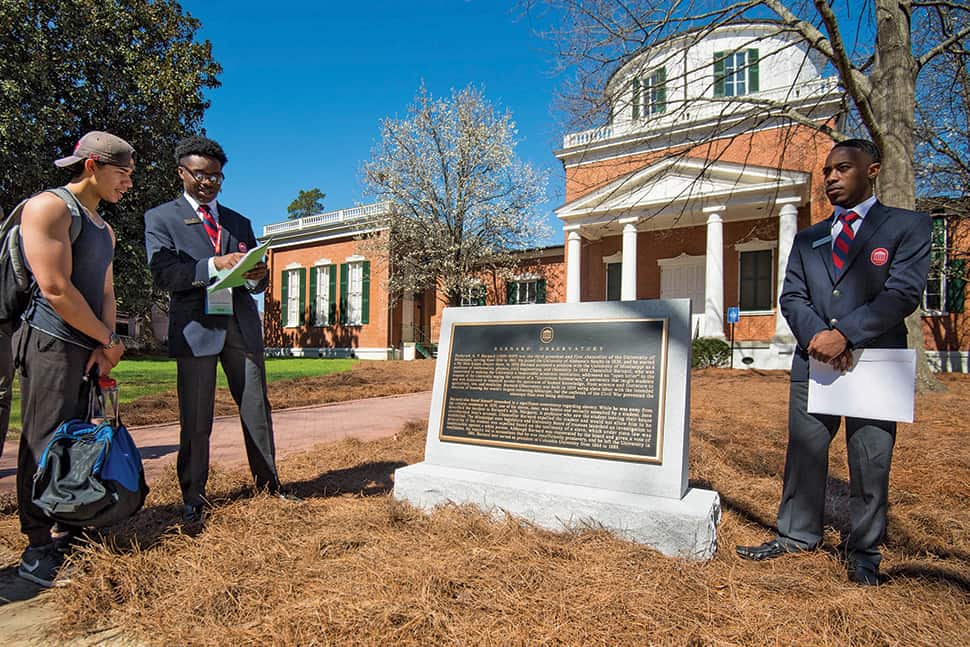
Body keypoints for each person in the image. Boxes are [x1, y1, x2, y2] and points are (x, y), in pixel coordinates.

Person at [735, 139, 931, 586]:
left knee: (870, 457)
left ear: (873, 170)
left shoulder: (907, 226)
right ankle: (796, 535)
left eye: (843, 168)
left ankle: (864, 551)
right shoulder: (809, 238)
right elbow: (792, 295)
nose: (831, 177)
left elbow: (902, 292)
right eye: (827, 171)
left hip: (875, 360)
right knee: (805, 452)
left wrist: (844, 334)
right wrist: (817, 336)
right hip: (814, 361)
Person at [144, 135, 298, 526]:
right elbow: (165, 275)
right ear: (182, 173)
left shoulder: (238, 221)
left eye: (217, 176)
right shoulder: (161, 219)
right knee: (196, 419)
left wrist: (257, 277)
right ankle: (194, 497)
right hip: (196, 329)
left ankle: (269, 485)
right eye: (201, 175)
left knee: (257, 411)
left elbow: (255, 283)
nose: (209, 183)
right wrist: (214, 265)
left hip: (241, 327)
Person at [15, 131, 134, 586]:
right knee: (43, 441)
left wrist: (105, 346)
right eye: (121, 174)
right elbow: (55, 288)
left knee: (79, 440)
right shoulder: (48, 208)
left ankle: (71, 525)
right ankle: (36, 546)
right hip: (49, 340)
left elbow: (105, 290)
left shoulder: (105, 228)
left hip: (88, 346)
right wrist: (104, 337)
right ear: (92, 166)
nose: (127, 184)